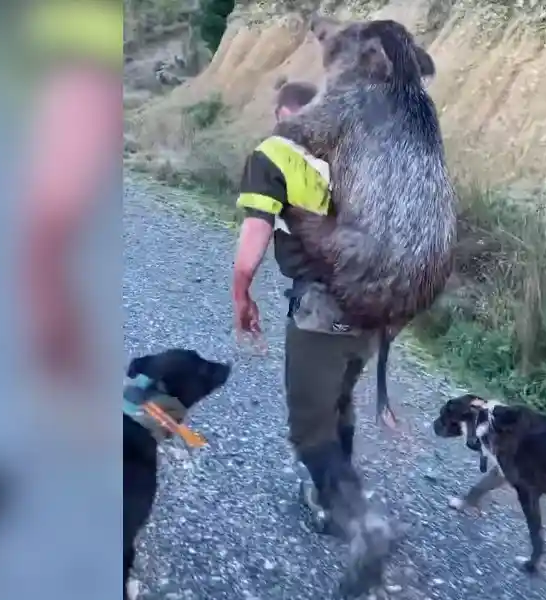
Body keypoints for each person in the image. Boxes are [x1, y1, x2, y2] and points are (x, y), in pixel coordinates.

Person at [231, 81, 394, 593]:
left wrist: (241, 293)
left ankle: (361, 524)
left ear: (284, 113)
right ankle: (331, 504)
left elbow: (254, 237)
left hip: (322, 307)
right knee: (340, 401)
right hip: (374, 306)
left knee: (309, 428)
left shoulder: (273, 153)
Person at [21, 0, 122, 385]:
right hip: (67, 83)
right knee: (43, 246)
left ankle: (65, 374)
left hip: (83, 83)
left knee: (47, 240)